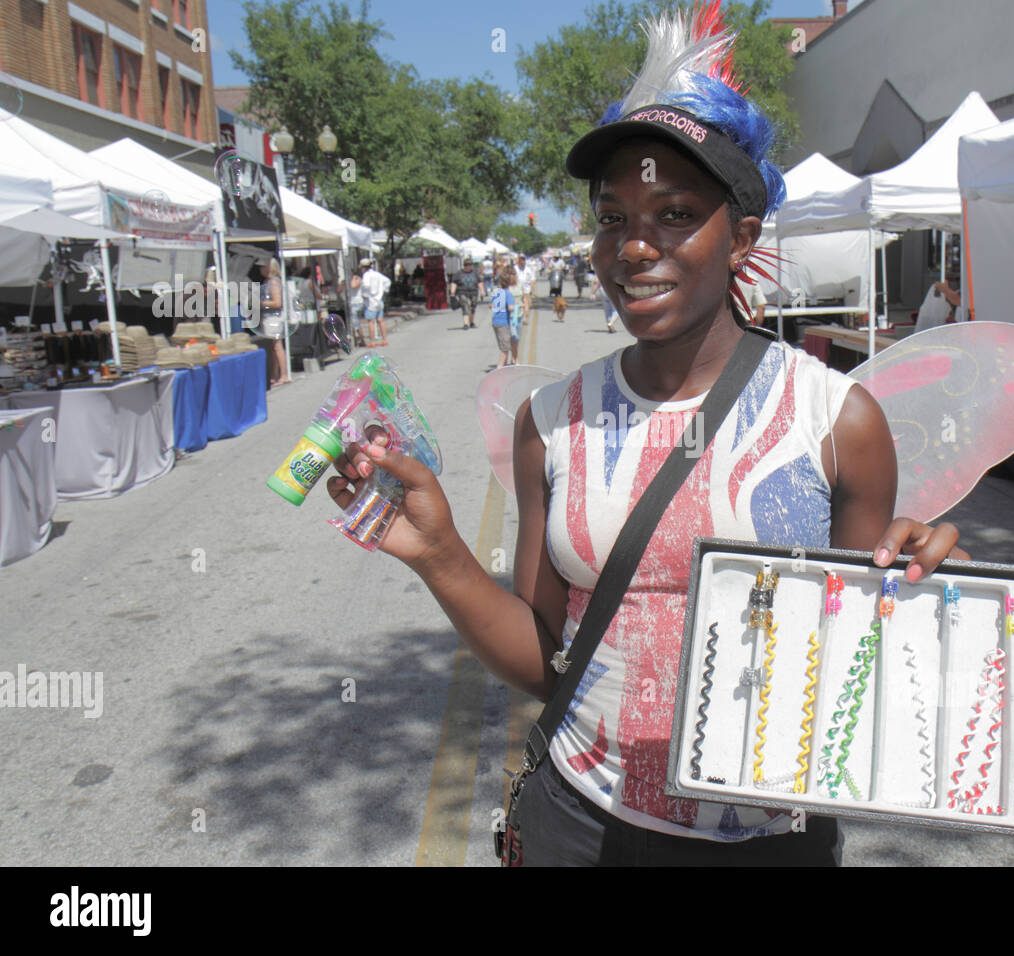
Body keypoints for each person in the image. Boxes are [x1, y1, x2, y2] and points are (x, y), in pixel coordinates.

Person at [327, 4, 965, 867]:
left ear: (740, 237)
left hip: (766, 841)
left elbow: (863, 677)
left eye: (673, 213)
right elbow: (545, 662)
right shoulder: (550, 424)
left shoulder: (837, 421)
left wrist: (930, 594)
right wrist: (438, 551)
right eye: (613, 217)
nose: (633, 246)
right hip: (578, 823)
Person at [256, 257, 291, 386]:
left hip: (273, 318)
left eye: (263, 266)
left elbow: (277, 302)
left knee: (277, 346)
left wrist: (261, 303)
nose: (260, 269)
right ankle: (275, 375)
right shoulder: (269, 281)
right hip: (269, 317)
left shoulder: (274, 282)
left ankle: (283, 375)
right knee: (274, 347)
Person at [360, 258, 391, 347]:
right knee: (380, 321)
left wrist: (365, 293)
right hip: (379, 300)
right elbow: (387, 281)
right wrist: (383, 290)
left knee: (371, 322)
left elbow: (366, 285)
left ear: (363, 267)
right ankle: (384, 340)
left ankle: (372, 342)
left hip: (371, 301)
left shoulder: (366, 275)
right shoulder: (377, 274)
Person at [489, 272, 516, 369]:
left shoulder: (496, 293)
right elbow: (511, 308)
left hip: (495, 320)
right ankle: (499, 367)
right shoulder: (508, 294)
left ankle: (504, 366)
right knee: (505, 348)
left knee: (503, 344)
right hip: (503, 322)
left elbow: (490, 305)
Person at [450, 259, 483, 330]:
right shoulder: (458, 273)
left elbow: (479, 282)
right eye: (466, 265)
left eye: (469, 265)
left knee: (473, 307)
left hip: (474, 292)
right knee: (465, 306)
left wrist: (482, 291)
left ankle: (471, 322)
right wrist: (452, 292)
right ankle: (466, 323)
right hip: (462, 292)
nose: (468, 266)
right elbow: (454, 283)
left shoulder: (475, 273)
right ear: (464, 265)